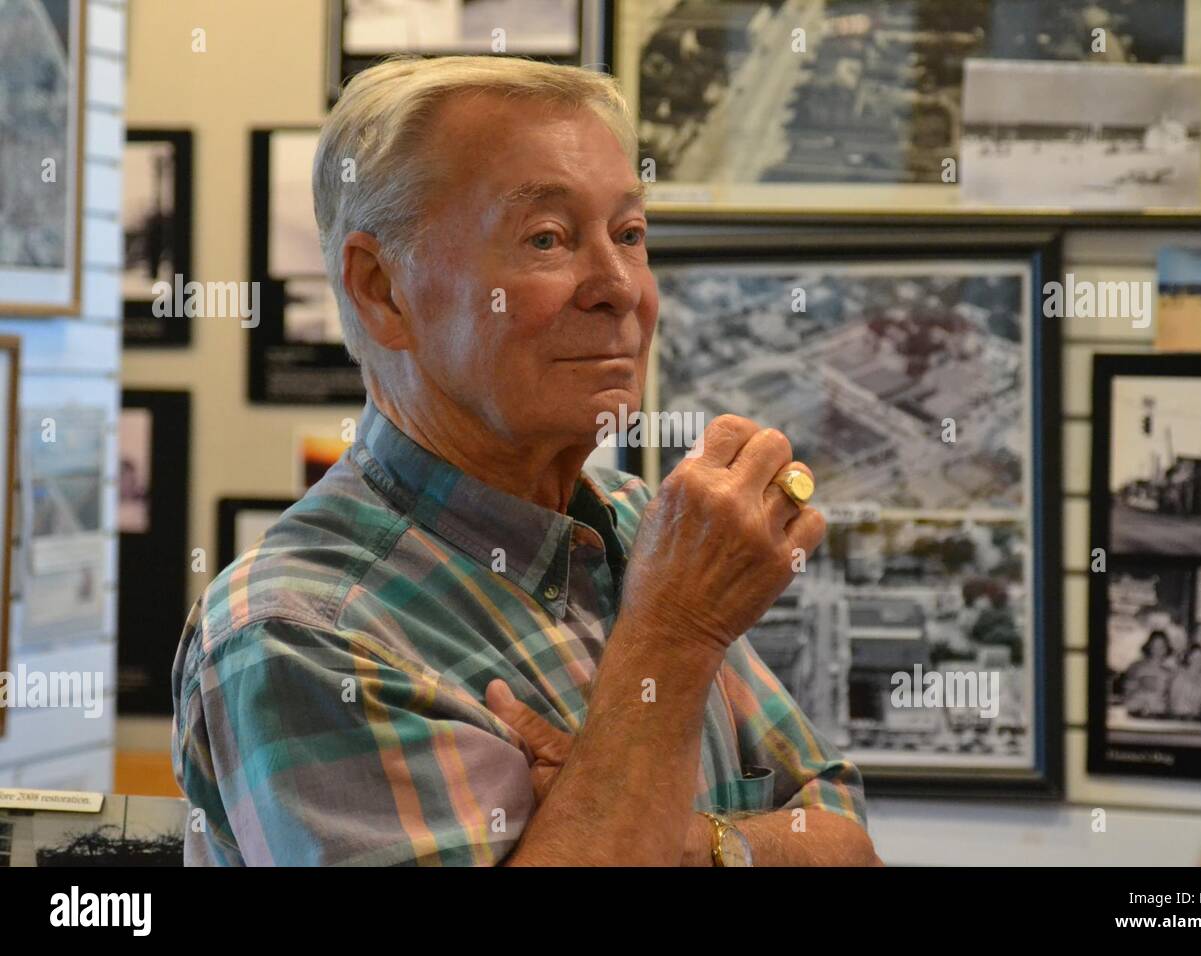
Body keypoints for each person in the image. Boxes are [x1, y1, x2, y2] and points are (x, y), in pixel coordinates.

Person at [170, 56, 880, 867]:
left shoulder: (641, 523)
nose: (620, 287)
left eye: (630, 234)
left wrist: (674, 840)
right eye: (548, 238)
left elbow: (847, 843)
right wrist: (674, 638)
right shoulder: (301, 633)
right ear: (381, 290)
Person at [1121, 630, 1173, 717]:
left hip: (1160, 716)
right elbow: (1127, 694)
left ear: (1166, 648)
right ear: (1149, 646)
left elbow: (1170, 701)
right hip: (1136, 714)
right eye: (1155, 645)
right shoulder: (1136, 667)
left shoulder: (1169, 672)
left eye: (1162, 646)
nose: (1158, 649)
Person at [1167, 644, 1201, 719]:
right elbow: (1172, 701)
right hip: (1179, 717)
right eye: (1195, 658)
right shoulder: (1179, 676)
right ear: (1189, 658)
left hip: (1197, 719)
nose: (1198, 661)